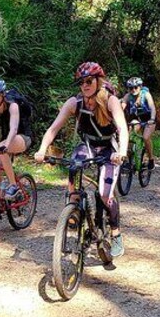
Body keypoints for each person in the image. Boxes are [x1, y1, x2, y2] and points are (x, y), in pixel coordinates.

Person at [33, 62, 129, 257]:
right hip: (87, 146)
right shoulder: (74, 103)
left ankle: (116, 233)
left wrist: (122, 152)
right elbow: (53, 129)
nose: (85, 85)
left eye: (89, 81)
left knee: (104, 194)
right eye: (81, 82)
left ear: (98, 81)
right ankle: (74, 209)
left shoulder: (110, 101)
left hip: (109, 149)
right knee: (74, 165)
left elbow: (122, 128)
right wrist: (42, 149)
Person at [121, 77, 157, 169]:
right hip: (138, 119)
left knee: (146, 137)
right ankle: (128, 159)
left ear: (140, 87)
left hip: (149, 119)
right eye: (130, 88)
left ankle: (151, 159)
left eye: (135, 87)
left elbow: (152, 107)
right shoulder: (128, 96)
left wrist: (152, 118)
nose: (133, 90)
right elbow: (121, 108)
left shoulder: (146, 94)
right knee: (128, 135)